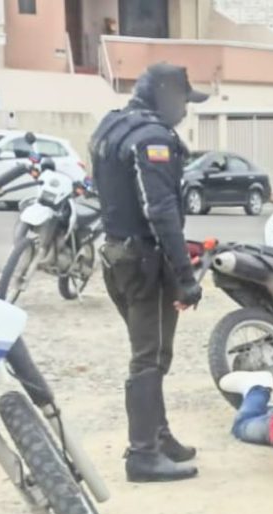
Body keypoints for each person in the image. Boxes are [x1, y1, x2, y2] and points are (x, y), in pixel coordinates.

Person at [89, 63, 207, 483]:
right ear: (164, 95)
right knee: (149, 357)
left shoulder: (112, 126)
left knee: (153, 352)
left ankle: (157, 435)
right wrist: (185, 276)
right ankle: (142, 453)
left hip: (118, 255)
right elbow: (161, 212)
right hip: (144, 262)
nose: (185, 111)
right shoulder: (153, 139)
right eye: (183, 101)